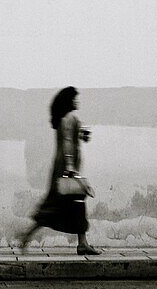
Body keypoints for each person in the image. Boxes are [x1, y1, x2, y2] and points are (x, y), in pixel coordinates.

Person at [18, 86, 100, 254]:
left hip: (60, 168)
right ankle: (27, 235)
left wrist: (82, 134)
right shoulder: (69, 118)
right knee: (67, 204)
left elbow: (71, 136)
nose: (77, 101)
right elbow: (68, 144)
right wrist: (70, 168)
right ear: (69, 101)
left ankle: (81, 243)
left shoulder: (66, 119)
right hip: (66, 169)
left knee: (60, 205)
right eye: (75, 98)